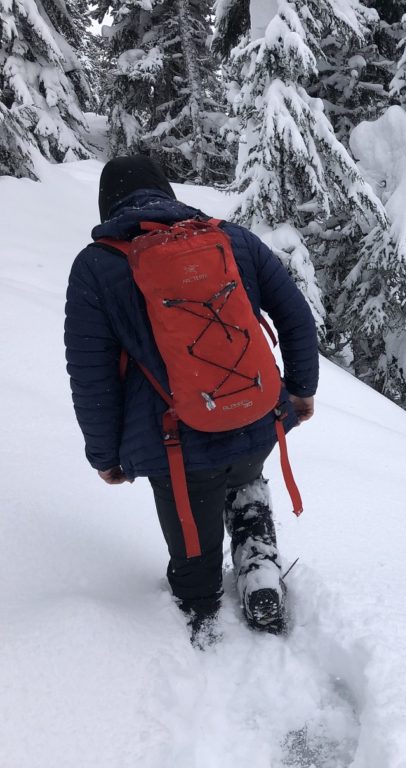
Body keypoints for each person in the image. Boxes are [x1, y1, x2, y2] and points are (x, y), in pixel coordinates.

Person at [64, 155, 319, 643]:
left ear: (107, 205)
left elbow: (91, 376)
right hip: (256, 418)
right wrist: (301, 390)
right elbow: (295, 316)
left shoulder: (96, 267)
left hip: (173, 442)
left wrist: (104, 455)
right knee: (246, 481)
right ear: (168, 192)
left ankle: (201, 608)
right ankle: (259, 570)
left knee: (191, 530)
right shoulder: (233, 238)